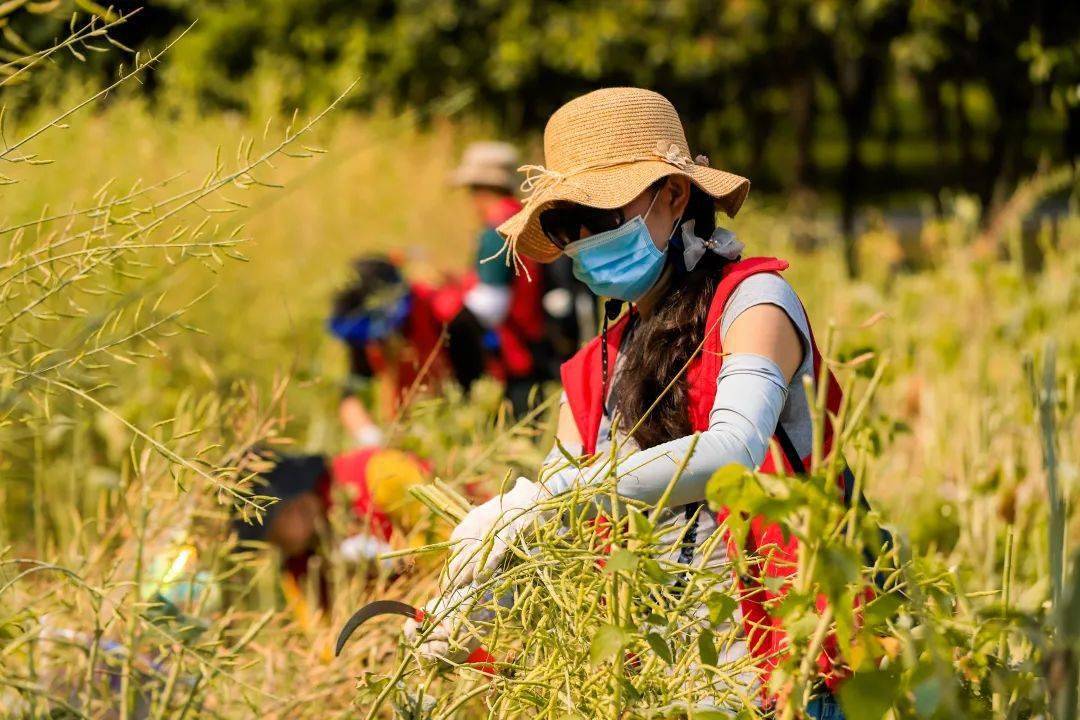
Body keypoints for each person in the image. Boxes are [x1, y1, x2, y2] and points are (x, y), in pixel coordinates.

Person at [422, 88, 857, 718]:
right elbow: (559, 533)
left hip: (789, 671)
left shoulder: (755, 305)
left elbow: (734, 446)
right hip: (668, 684)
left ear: (674, 196)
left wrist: (547, 499)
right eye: (568, 227)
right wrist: (470, 604)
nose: (583, 241)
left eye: (598, 218)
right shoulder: (595, 369)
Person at [451, 141, 594, 415]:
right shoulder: (525, 218)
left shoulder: (496, 229)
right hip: (540, 343)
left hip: (515, 351)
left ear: (480, 191)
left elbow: (491, 303)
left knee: (517, 431)